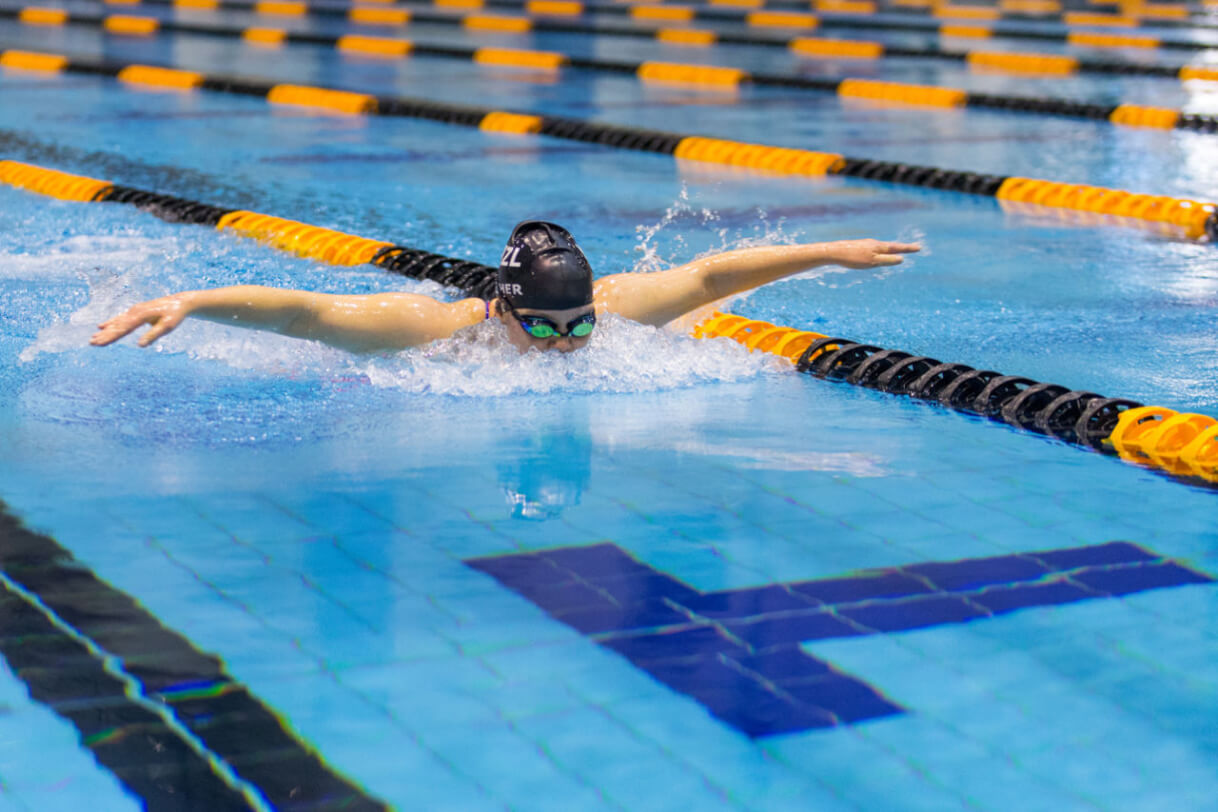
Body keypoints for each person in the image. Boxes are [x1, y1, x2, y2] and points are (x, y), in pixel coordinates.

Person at [90, 220, 920, 354]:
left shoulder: (609, 309)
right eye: (547, 330)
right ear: (501, 308)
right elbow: (311, 313)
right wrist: (194, 301)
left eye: (579, 328)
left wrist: (829, 252)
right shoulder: (438, 329)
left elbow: (706, 274)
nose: (567, 345)